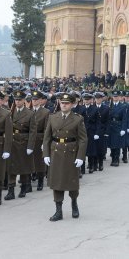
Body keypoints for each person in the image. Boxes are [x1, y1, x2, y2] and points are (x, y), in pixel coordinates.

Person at [43, 93, 87, 221]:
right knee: (57, 182)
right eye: (62, 103)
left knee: (72, 182)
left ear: (72, 105)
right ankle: (58, 211)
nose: (64, 105)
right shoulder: (53, 117)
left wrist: (80, 157)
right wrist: (46, 154)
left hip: (71, 153)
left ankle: (74, 203)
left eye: (67, 103)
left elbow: (83, 140)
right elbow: (47, 138)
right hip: (55, 152)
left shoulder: (78, 119)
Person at [4, 90, 37, 200]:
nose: (17, 102)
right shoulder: (10, 112)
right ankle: (11, 190)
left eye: (19, 100)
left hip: (23, 142)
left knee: (23, 168)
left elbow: (33, 131)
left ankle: (23, 188)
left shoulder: (30, 113)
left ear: (24, 100)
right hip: (12, 141)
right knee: (11, 168)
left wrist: (30, 146)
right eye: (16, 100)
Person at [31, 91, 50, 191]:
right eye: (33, 99)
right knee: (29, 160)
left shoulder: (45, 112)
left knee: (39, 161)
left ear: (40, 100)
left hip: (39, 138)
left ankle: (40, 181)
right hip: (29, 138)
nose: (34, 101)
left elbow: (47, 128)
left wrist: (44, 142)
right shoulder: (28, 110)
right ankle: (30, 178)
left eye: (36, 99)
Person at [107, 91, 127, 167]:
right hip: (111, 126)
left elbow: (124, 119)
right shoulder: (109, 105)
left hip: (118, 126)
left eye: (116, 96)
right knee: (112, 144)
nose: (115, 98)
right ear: (112, 97)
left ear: (119, 97)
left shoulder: (122, 106)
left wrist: (123, 129)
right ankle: (113, 159)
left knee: (117, 144)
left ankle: (116, 159)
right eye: (114, 96)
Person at [93, 92, 110, 171]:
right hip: (94, 130)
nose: (98, 100)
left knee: (101, 148)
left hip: (102, 130)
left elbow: (107, 121)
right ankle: (95, 164)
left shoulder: (106, 108)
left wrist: (106, 131)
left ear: (102, 99)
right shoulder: (92, 107)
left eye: (99, 98)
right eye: (96, 98)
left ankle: (101, 164)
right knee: (94, 147)